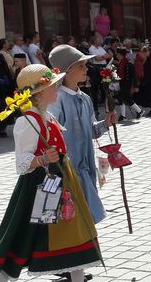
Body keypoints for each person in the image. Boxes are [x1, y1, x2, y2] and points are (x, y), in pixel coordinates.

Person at [0, 64, 107, 282]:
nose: (56, 89)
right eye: (52, 86)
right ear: (38, 93)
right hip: (40, 185)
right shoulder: (28, 122)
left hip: (62, 178)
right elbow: (22, 164)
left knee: (76, 230)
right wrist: (42, 159)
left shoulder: (47, 116)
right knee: (27, 235)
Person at [48, 44, 119, 226]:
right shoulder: (56, 100)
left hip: (86, 169)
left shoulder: (85, 98)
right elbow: (52, 138)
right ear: (67, 70)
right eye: (81, 65)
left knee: (86, 216)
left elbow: (91, 132)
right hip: (68, 170)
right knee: (73, 216)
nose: (86, 69)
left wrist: (106, 123)